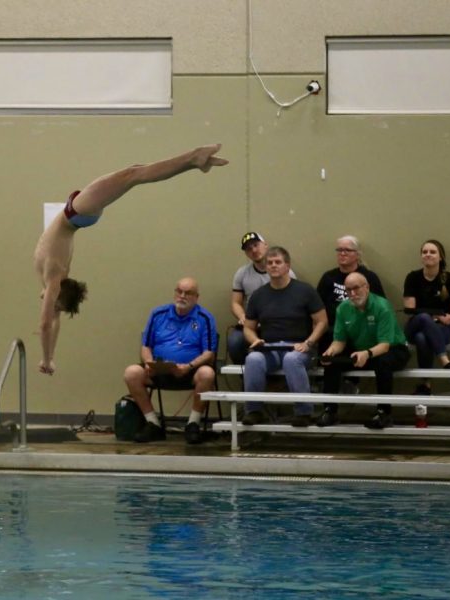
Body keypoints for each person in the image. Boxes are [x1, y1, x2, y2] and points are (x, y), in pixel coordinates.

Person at [34, 144, 228, 375]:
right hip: (77, 213)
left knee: (134, 173)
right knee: (133, 175)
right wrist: (48, 359)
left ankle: (194, 160)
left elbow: (48, 324)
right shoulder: (54, 276)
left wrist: (49, 359)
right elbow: (50, 323)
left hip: (77, 214)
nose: (48, 307)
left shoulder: (54, 277)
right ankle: (194, 160)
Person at [122, 277, 217, 444]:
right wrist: (149, 363)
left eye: (187, 293)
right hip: (159, 370)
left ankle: (193, 423)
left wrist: (189, 366)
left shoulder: (205, 318)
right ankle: (153, 423)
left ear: (196, 297)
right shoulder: (158, 314)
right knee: (131, 373)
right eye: (179, 291)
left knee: (208, 373)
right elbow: (146, 346)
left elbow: (209, 353)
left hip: (190, 371)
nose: (182, 296)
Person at [241, 246, 327, 427]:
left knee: (291, 359)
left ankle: (304, 412)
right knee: (253, 359)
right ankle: (254, 410)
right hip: (270, 348)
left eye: (278, 262)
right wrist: (254, 340)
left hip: (299, 349)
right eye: (270, 263)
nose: (273, 266)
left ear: (287, 266)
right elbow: (248, 328)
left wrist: (308, 342)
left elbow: (322, 322)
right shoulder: (258, 295)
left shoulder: (305, 291)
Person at [319, 272, 410, 429]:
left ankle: (384, 413)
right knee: (332, 363)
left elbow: (384, 345)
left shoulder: (382, 306)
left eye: (356, 288)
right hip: (362, 351)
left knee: (383, 362)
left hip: (393, 349)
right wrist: (330, 352)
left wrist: (366, 354)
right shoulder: (343, 308)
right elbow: (339, 341)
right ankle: (330, 411)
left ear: (366, 287)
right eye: (348, 290)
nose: (353, 294)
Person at [402, 239, 450, 395]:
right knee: (423, 317)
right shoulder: (412, 277)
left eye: (432, 252)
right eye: (424, 252)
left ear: (440, 257)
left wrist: (446, 319)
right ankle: (446, 362)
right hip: (414, 325)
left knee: (423, 338)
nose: (428, 255)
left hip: (442, 328)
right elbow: (410, 310)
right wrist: (431, 316)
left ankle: (425, 385)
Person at [228, 231, 296, 364]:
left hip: (277, 323)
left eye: (256, 245)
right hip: (251, 322)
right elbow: (235, 303)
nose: (253, 250)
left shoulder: (286, 272)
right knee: (234, 342)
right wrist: (243, 317)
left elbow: (292, 301)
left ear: (265, 245)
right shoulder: (242, 273)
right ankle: (247, 377)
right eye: (248, 248)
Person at [315, 235, 386, 350]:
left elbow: (380, 306)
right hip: (334, 328)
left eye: (347, 250)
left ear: (357, 254)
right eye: (339, 250)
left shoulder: (369, 277)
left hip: (363, 327)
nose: (342, 253)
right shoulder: (328, 277)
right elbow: (317, 307)